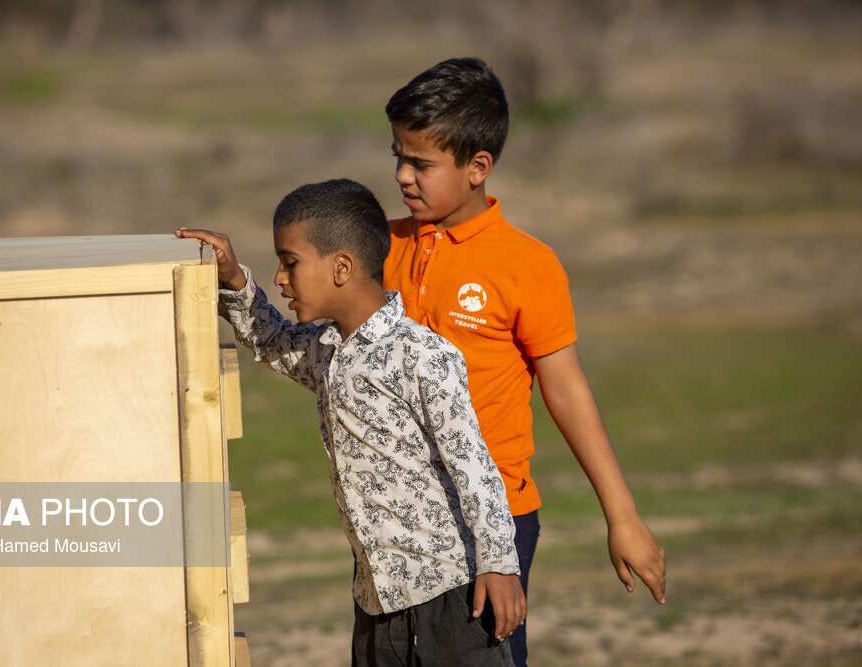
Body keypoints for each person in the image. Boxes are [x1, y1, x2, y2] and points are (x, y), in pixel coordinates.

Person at [383, 57, 668, 666]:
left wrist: (623, 517)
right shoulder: (381, 245)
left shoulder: (527, 265)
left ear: (478, 167)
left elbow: (567, 390)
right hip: (398, 517)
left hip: (496, 521)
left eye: (421, 164)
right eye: (398, 157)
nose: (403, 175)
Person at [176, 178, 525, 666]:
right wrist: (234, 279)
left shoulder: (422, 355)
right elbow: (273, 341)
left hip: (450, 599)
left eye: (290, 263)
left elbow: (475, 467)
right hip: (375, 603)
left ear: (342, 268)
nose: (280, 278)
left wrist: (500, 564)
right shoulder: (325, 350)